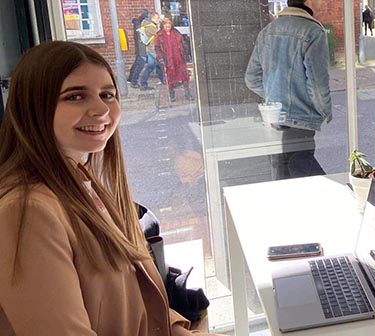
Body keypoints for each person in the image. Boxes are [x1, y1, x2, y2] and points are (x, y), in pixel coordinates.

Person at [0, 41, 215, 335]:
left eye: (107, 95)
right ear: (33, 106)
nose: (101, 109)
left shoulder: (82, 180)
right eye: (75, 96)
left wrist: (178, 329)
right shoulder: (27, 212)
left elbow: (135, 296)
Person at [245, 0, 331, 179]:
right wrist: (324, 111)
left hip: (273, 119)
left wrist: (274, 97)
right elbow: (317, 83)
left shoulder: (267, 32)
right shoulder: (313, 31)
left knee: (282, 176)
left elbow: (252, 78)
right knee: (304, 174)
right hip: (301, 120)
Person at [156, 18, 193, 103]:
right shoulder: (159, 35)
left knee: (184, 76)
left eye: (169, 26)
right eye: (166, 26)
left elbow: (183, 44)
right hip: (168, 60)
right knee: (170, 77)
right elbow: (157, 48)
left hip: (179, 58)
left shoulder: (177, 33)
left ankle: (187, 94)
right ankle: (172, 95)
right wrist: (160, 58)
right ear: (163, 26)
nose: (167, 27)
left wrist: (186, 54)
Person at [139, 12, 164, 90]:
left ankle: (143, 83)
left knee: (152, 66)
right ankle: (164, 80)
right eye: (157, 18)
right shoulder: (151, 27)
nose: (158, 20)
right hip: (153, 49)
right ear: (152, 18)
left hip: (150, 49)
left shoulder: (146, 24)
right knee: (160, 64)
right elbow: (159, 36)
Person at [127, 9, 149, 85]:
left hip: (140, 47)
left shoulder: (137, 22)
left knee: (139, 63)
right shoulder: (140, 24)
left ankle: (131, 79)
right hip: (141, 47)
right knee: (140, 63)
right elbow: (141, 36)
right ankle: (132, 80)